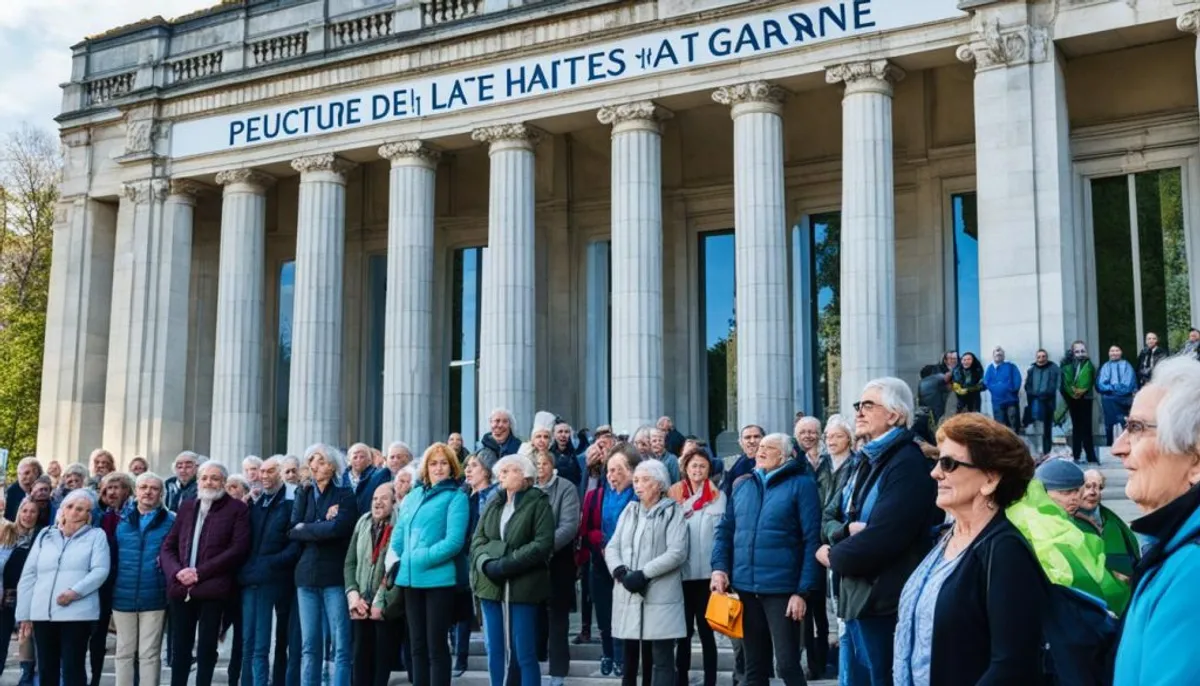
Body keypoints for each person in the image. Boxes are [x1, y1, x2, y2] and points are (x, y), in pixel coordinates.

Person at [893, 413, 1043, 685]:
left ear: (990, 479)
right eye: (938, 461)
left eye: (949, 464)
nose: (935, 472)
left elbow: (1012, 665)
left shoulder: (1006, 552)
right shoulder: (948, 537)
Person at [817, 378, 942, 686]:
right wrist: (843, 532)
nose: (859, 412)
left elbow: (884, 537)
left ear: (895, 415)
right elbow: (830, 518)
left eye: (868, 405)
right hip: (858, 598)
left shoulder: (907, 463)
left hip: (884, 602)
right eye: (858, 405)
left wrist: (833, 555)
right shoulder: (867, 460)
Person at [1112, 356, 1200, 683]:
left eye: (1136, 428)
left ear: (1196, 459)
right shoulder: (1175, 552)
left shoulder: (1193, 569)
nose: (1118, 448)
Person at [712, 433, 822, 686]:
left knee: (787, 665)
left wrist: (802, 592)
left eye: (768, 448)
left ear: (783, 456)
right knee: (753, 667)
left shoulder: (802, 484)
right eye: (759, 447)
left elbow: (811, 541)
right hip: (745, 589)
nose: (760, 451)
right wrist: (719, 567)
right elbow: (725, 531)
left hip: (782, 590)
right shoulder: (742, 484)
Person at [159, 460, 250, 686]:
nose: (209, 482)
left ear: (224, 482)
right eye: (205, 478)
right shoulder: (188, 507)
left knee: (207, 649)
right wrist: (177, 572)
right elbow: (168, 546)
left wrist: (199, 572)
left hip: (213, 589)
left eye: (215, 478)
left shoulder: (237, 509)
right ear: (198, 481)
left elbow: (238, 549)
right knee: (179, 649)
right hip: (181, 588)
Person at [470, 453, 555, 686]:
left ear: (525, 475)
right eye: (501, 471)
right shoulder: (494, 502)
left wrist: (505, 563)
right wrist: (486, 563)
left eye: (508, 470)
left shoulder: (538, 502)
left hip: (523, 588)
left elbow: (542, 544)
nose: (501, 475)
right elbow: (477, 541)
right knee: (494, 648)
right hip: (491, 586)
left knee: (523, 650)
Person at [391, 443, 468, 686]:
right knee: (417, 646)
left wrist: (418, 557)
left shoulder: (457, 497)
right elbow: (399, 533)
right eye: (433, 463)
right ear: (425, 467)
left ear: (452, 466)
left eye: (443, 463)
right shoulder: (413, 496)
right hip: (410, 580)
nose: (438, 468)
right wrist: (402, 557)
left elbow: (454, 542)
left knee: (436, 647)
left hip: (438, 580)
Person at [16, 489, 111, 686]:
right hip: (42, 613)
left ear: (89, 515)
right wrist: (24, 615)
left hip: (76, 614)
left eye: (81, 509)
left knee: (72, 668)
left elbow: (100, 570)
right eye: (69, 507)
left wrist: (75, 592)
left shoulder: (96, 535)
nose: (74, 512)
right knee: (46, 668)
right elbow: (29, 575)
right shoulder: (44, 535)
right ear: (62, 510)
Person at [605, 459, 687, 686]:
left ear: (659, 484)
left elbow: (677, 551)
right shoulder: (630, 510)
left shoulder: (673, 511)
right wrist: (621, 572)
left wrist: (643, 574)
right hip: (628, 590)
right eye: (636, 480)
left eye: (644, 480)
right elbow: (612, 546)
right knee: (630, 657)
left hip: (661, 593)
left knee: (662, 658)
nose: (638, 485)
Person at [289, 444, 357, 686]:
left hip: (334, 576)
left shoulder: (345, 494)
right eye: (310, 460)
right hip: (305, 576)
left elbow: (340, 529)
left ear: (331, 465)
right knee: (310, 645)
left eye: (318, 460)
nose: (312, 465)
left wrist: (308, 528)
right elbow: (293, 529)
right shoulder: (303, 493)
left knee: (340, 644)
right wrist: (320, 525)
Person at [578, 443, 639, 676]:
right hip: (601, 561)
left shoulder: (638, 495)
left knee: (626, 613)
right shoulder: (599, 494)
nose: (612, 476)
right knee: (604, 612)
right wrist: (601, 543)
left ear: (632, 470)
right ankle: (608, 653)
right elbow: (588, 527)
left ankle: (624, 657)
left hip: (629, 562)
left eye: (618, 470)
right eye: (610, 470)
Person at [667, 445, 725, 686]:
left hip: (707, 576)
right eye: (694, 466)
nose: (698, 470)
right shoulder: (673, 494)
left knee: (707, 632)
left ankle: (710, 680)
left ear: (709, 469)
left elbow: (722, 533)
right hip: (680, 576)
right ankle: (681, 679)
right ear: (685, 469)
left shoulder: (718, 496)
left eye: (702, 466)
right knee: (683, 634)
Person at [240, 456, 301, 686]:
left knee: (262, 645)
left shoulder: (290, 504)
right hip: (249, 579)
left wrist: (270, 563)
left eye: (270, 471)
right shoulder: (254, 504)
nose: (264, 476)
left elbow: (294, 544)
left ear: (282, 472)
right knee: (248, 643)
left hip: (274, 581)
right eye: (262, 472)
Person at [112, 472, 175, 686]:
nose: (148, 492)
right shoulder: (121, 520)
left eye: (154, 488)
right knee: (124, 652)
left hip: (155, 594)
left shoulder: (172, 521)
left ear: (161, 493)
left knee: (149, 653)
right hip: (123, 594)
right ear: (136, 491)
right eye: (143, 487)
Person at [530, 449, 581, 686]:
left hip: (558, 562)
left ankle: (558, 671)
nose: (540, 467)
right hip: (531, 564)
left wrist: (542, 548)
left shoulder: (566, 488)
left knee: (557, 619)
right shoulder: (528, 489)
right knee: (534, 618)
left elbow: (569, 526)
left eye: (543, 463)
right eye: (535, 464)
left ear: (552, 465)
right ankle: (537, 665)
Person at [345, 482, 403, 686]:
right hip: (361, 602)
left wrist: (382, 600)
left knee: (381, 660)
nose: (378, 502)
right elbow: (350, 562)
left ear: (394, 501)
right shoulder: (363, 522)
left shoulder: (400, 524)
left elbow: (397, 567)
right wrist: (353, 594)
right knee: (360, 658)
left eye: (384, 498)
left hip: (385, 605)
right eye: (375, 498)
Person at [451, 452, 497, 676]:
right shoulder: (462, 496)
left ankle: (495, 664)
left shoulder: (495, 495)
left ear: (486, 471)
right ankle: (460, 658)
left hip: (486, 561)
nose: (468, 470)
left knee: (487, 614)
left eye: (474, 466)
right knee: (462, 611)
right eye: (467, 466)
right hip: (463, 559)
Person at [89, 472, 133, 686]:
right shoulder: (100, 515)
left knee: (128, 637)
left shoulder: (134, 513)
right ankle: (94, 679)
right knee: (97, 633)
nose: (112, 492)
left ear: (127, 490)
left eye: (117, 487)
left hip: (126, 579)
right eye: (108, 488)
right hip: (103, 581)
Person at [1, 499, 43, 685]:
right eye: (24, 510)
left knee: (27, 640)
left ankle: (27, 678)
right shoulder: (7, 532)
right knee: (1, 644)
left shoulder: (42, 536)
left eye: (32, 511)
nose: (28, 515)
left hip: (30, 598)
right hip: (5, 598)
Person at [1075, 469, 1140, 581]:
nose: (1093, 492)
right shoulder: (1067, 522)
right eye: (1087, 486)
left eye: (1099, 487)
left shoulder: (1112, 520)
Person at [1062, 340, 1098, 464]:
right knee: (1076, 428)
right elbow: (1066, 382)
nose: (1080, 353)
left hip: (1086, 399)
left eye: (1082, 351)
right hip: (1072, 400)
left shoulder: (1089, 365)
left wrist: (1078, 391)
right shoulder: (1067, 365)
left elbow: (1087, 382)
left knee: (1087, 428)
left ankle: (1091, 456)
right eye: (1077, 351)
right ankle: (1076, 454)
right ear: (1072, 352)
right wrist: (1072, 392)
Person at [1096, 344, 1137, 446]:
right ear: (1109, 353)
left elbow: (1128, 385)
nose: (1114, 353)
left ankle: (1127, 444)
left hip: (1124, 399)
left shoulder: (1127, 365)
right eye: (1112, 351)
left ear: (1121, 352)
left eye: (1117, 350)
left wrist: (1113, 388)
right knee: (1109, 424)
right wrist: (1114, 388)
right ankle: (1110, 445)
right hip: (1109, 399)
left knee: (1125, 423)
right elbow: (1101, 385)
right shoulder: (1105, 366)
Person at [983, 346, 1022, 432]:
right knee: (1000, 426)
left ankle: (1014, 444)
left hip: (1011, 401)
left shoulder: (1011, 366)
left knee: (1013, 424)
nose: (998, 355)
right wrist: (996, 388)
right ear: (993, 356)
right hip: (997, 402)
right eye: (996, 354)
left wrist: (1011, 389)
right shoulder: (990, 368)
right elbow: (986, 382)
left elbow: (1017, 379)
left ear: (1004, 356)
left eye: (1000, 354)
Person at [722, 425, 764, 499]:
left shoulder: (769, 462)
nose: (752, 441)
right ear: (740, 442)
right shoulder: (740, 460)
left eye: (756, 437)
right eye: (747, 437)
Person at [551, 421, 583, 486]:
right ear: (554, 434)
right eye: (560, 431)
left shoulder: (577, 454)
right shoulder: (549, 455)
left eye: (566, 432)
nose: (563, 435)